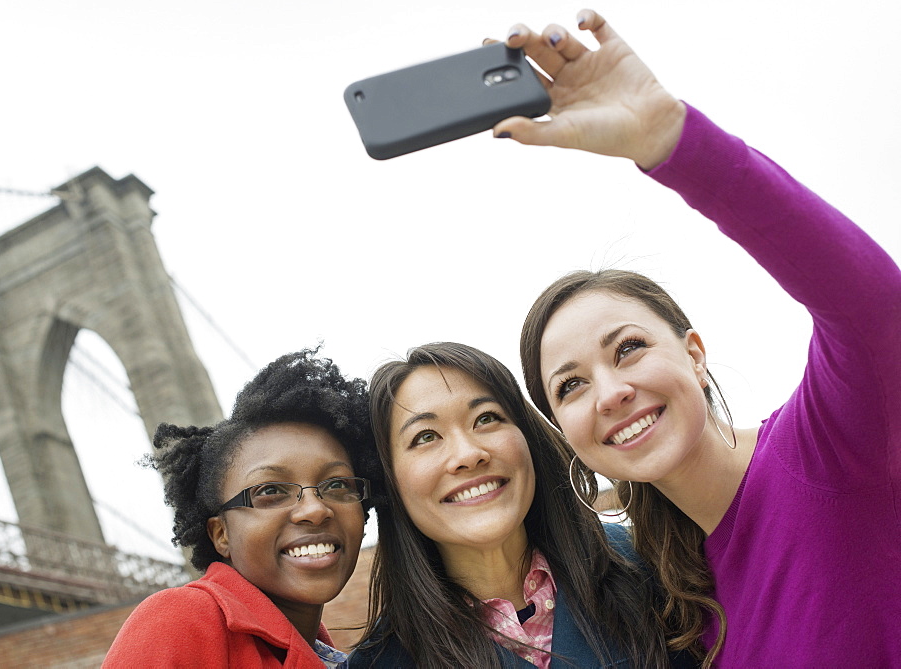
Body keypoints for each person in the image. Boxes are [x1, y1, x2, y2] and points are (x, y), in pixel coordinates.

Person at [507, 10, 901, 667]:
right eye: (570, 385)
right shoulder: (674, 609)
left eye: (628, 347)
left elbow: (871, 306)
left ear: (693, 350)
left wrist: (675, 142)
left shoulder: (829, 449)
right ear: (564, 429)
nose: (611, 391)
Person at [350, 342, 689, 668]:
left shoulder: (659, 567)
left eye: (485, 418)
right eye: (425, 437)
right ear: (388, 482)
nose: (468, 455)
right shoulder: (380, 661)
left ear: (527, 436)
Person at [103, 349, 381, 668]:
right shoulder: (183, 620)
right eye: (271, 490)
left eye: (336, 485)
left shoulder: (330, 658)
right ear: (221, 534)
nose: (315, 510)